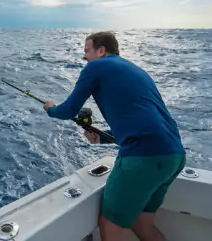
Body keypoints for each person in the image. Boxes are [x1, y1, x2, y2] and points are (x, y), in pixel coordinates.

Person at [42, 31, 186, 241]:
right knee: (142, 223)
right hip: (173, 156)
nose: (85, 57)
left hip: (142, 159)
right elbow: (147, 125)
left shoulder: (96, 66)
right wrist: (102, 137)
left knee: (111, 226)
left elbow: (68, 111)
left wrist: (50, 108)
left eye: (87, 51)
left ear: (101, 50)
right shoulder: (137, 71)